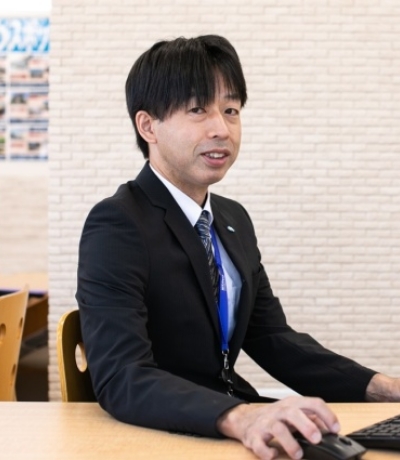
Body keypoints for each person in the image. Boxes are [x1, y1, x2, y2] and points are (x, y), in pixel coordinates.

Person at [76, 35, 400, 460]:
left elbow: (271, 337)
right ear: (148, 126)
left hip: (234, 420)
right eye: (198, 110)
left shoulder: (232, 218)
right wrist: (241, 417)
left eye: (231, 110)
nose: (221, 129)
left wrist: (383, 388)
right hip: (171, 434)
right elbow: (121, 375)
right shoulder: (117, 223)